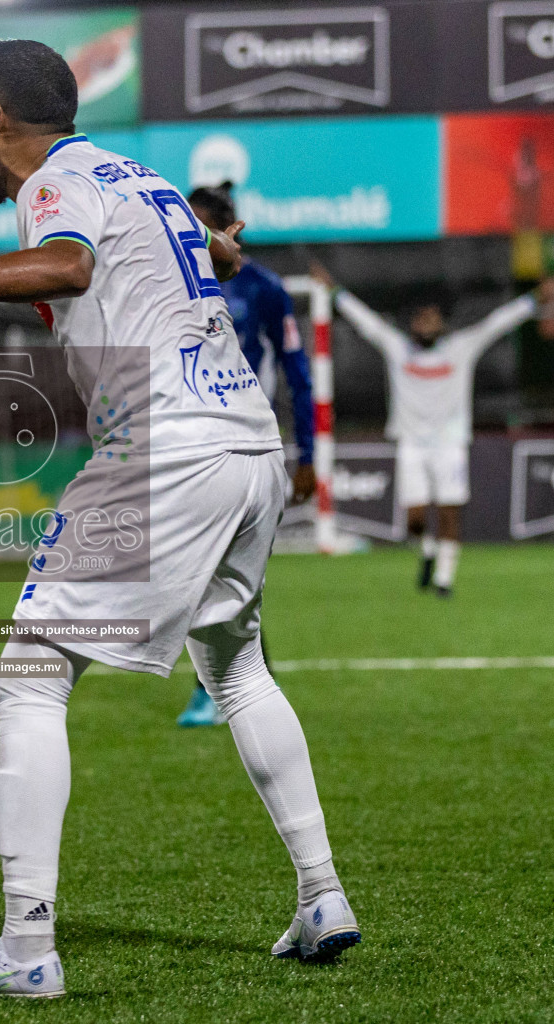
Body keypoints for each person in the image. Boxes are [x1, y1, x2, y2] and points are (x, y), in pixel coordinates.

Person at [0, 40, 358, 997]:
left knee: (28, 674)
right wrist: (208, 254)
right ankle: (322, 896)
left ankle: (26, 950)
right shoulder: (135, 174)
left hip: (167, 451)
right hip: (247, 446)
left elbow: (66, 266)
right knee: (236, 668)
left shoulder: (56, 181)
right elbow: (212, 253)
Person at [311, 265, 552, 598]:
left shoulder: (460, 348)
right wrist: (335, 291)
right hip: (411, 442)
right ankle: (426, 549)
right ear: (412, 324)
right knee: (415, 518)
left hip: (450, 443)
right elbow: (366, 322)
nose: (425, 324)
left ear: (442, 323)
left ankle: (444, 579)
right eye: (419, 319)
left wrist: (534, 301)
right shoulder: (398, 349)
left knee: (450, 512)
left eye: (431, 319)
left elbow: (498, 323)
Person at [175, 181, 315, 728]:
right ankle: (245, 682)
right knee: (216, 574)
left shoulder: (262, 287)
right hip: (186, 439)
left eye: (196, 224)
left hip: (244, 438)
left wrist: (307, 454)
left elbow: (298, 375)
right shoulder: (173, 281)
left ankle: (218, 687)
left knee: (215, 570)